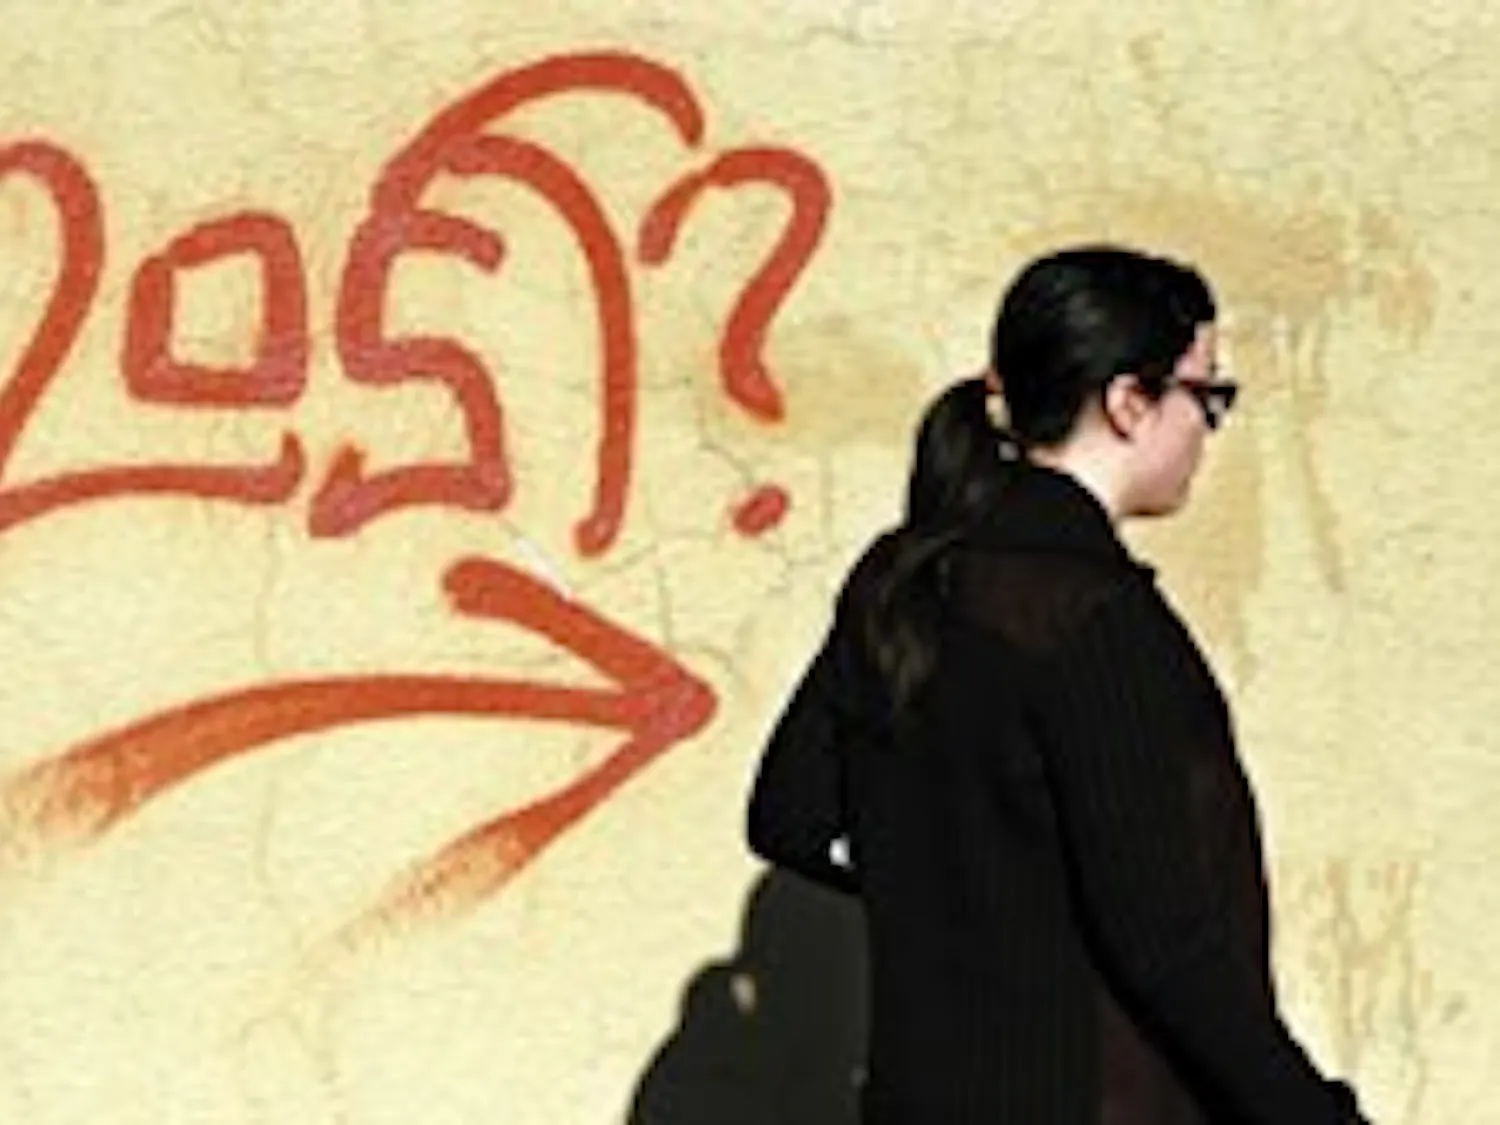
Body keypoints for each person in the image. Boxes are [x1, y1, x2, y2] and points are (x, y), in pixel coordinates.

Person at [746, 246, 1371, 1123]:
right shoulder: (1093, 621)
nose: (1210, 427)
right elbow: (1165, 940)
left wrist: (961, 890)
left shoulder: (902, 581)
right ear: (1129, 402)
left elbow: (791, 816)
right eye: (1207, 395)